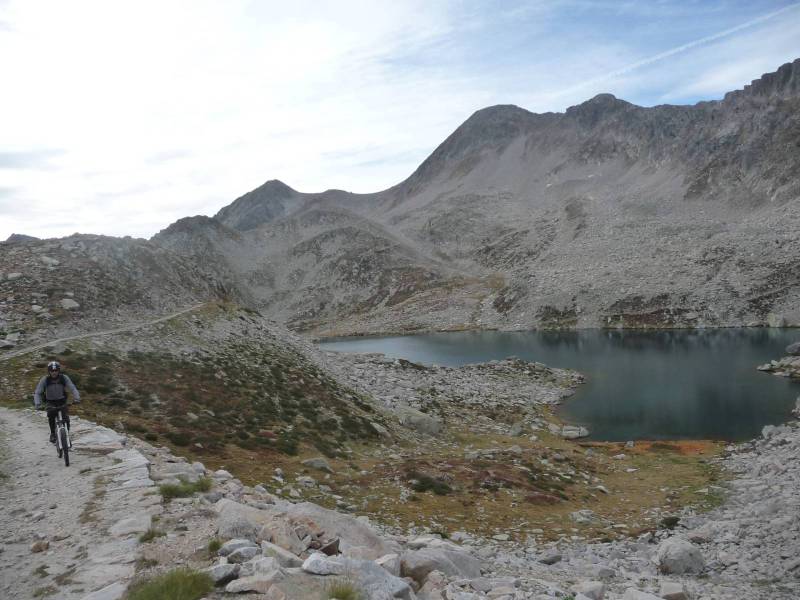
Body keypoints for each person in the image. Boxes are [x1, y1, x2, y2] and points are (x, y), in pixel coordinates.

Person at [33, 361, 81, 444]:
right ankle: (52, 434)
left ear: (58, 370)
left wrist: (77, 398)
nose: (54, 372)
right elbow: (38, 392)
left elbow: (72, 388)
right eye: (52, 370)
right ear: (49, 371)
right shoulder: (45, 380)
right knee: (51, 416)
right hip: (50, 402)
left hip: (62, 401)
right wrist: (38, 404)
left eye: (56, 370)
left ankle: (66, 436)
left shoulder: (64, 378)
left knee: (66, 419)